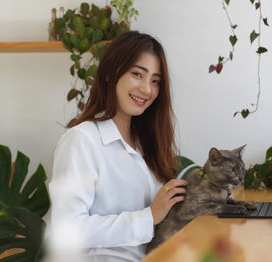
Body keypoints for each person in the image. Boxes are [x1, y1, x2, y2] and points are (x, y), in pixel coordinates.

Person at [49, 31, 188, 262]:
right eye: (137, 74)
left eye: (155, 81)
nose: (146, 89)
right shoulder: (82, 140)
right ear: (111, 74)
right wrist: (148, 217)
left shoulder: (146, 142)